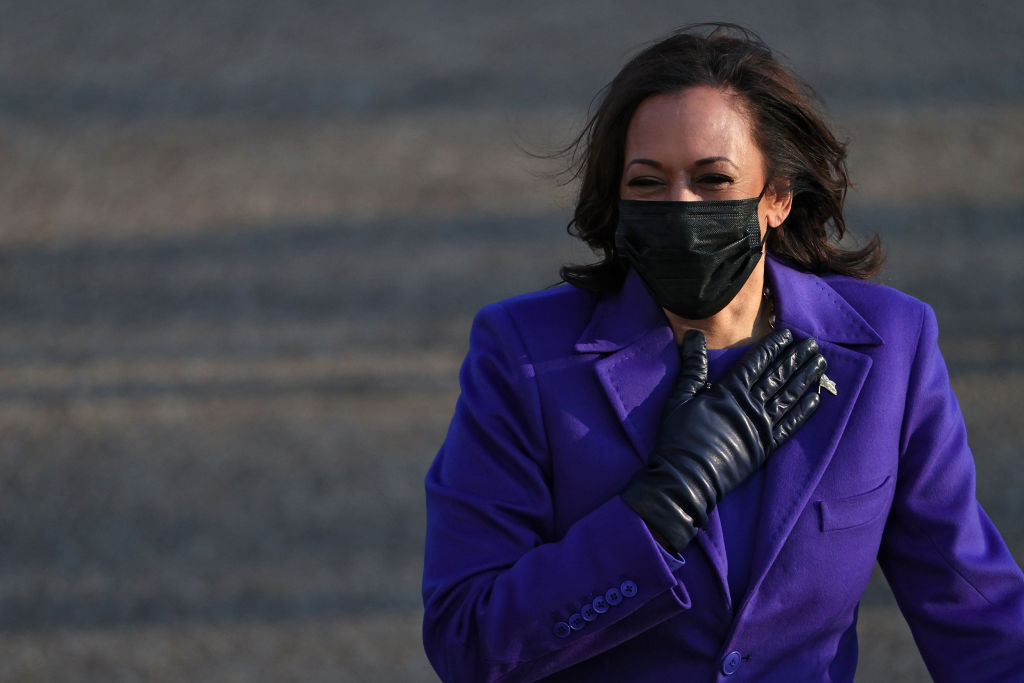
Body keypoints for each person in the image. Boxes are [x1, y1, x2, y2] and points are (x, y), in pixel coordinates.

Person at [421, 23, 1024, 682]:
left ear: (777, 198)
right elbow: (469, 640)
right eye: (648, 183)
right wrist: (659, 506)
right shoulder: (523, 356)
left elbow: (980, 619)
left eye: (713, 181)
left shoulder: (891, 349)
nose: (680, 206)